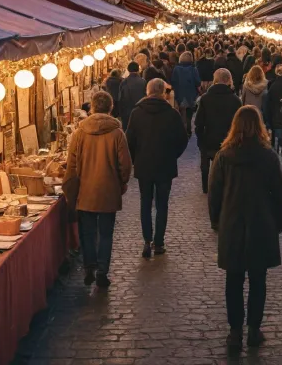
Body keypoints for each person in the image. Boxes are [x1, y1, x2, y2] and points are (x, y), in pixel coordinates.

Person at [208, 105, 282, 352]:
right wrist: (278, 222)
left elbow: (215, 194)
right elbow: (280, 195)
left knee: (233, 280)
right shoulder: (269, 156)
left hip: (232, 223)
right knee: (258, 279)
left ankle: (235, 330)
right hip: (261, 223)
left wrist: (217, 222)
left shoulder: (223, 157)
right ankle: (254, 328)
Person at [63, 90, 132, 289]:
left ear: (92, 107)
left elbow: (72, 164)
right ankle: (103, 270)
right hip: (109, 190)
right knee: (106, 233)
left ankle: (89, 267)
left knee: (87, 232)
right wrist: (122, 182)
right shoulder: (117, 132)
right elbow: (125, 164)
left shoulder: (80, 133)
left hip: (86, 190)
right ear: (110, 107)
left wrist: (71, 189)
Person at [126, 78, 189, 258]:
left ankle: (147, 240)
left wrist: (136, 158)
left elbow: (129, 139)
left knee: (145, 203)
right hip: (165, 165)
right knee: (162, 205)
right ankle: (159, 242)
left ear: (147, 91)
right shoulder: (171, 114)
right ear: (163, 92)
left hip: (144, 165)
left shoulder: (137, 113)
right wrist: (172, 155)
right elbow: (182, 139)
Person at [195, 68, 242, 193]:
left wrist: (200, 139)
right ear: (229, 81)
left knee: (206, 163)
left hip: (209, 139)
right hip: (228, 141)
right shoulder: (235, 100)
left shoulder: (205, 99)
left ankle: (206, 186)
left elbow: (199, 122)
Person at [171, 51, 202, 136]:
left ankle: (182, 130)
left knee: (181, 114)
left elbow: (173, 82)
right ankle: (188, 130)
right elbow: (198, 82)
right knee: (189, 114)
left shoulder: (176, 69)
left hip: (179, 94)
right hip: (191, 95)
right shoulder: (193, 69)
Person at [117, 61, 146, 129]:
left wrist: (121, 114)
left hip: (127, 113)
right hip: (140, 112)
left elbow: (120, 99)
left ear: (128, 70)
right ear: (138, 70)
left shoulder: (123, 82)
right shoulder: (143, 81)